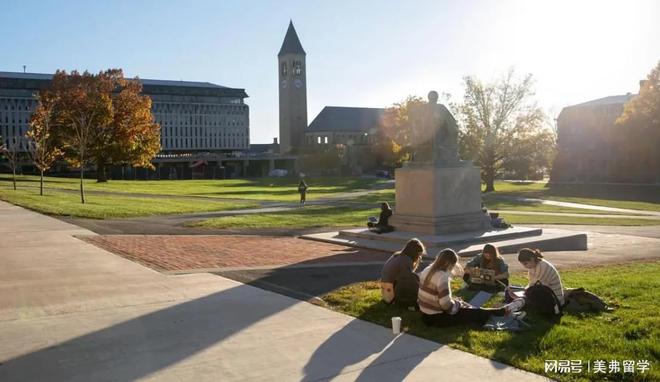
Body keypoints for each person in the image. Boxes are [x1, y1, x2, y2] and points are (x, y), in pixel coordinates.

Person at [418, 248, 524, 327]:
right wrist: (458, 304)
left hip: (425, 315)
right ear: (450, 263)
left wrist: (455, 302)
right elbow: (446, 306)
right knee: (475, 313)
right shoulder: (442, 277)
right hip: (437, 318)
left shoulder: (427, 269)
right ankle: (503, 311)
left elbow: (439, 299)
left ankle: (508, 314)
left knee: (471, 309)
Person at [380, 238, 425, 307]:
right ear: (414, 252)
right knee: (416, 282)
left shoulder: (398, 255)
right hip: (391, 296)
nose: (419, 257)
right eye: (419, 254)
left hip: (385, 293)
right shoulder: (406, 260)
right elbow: (408, 279)